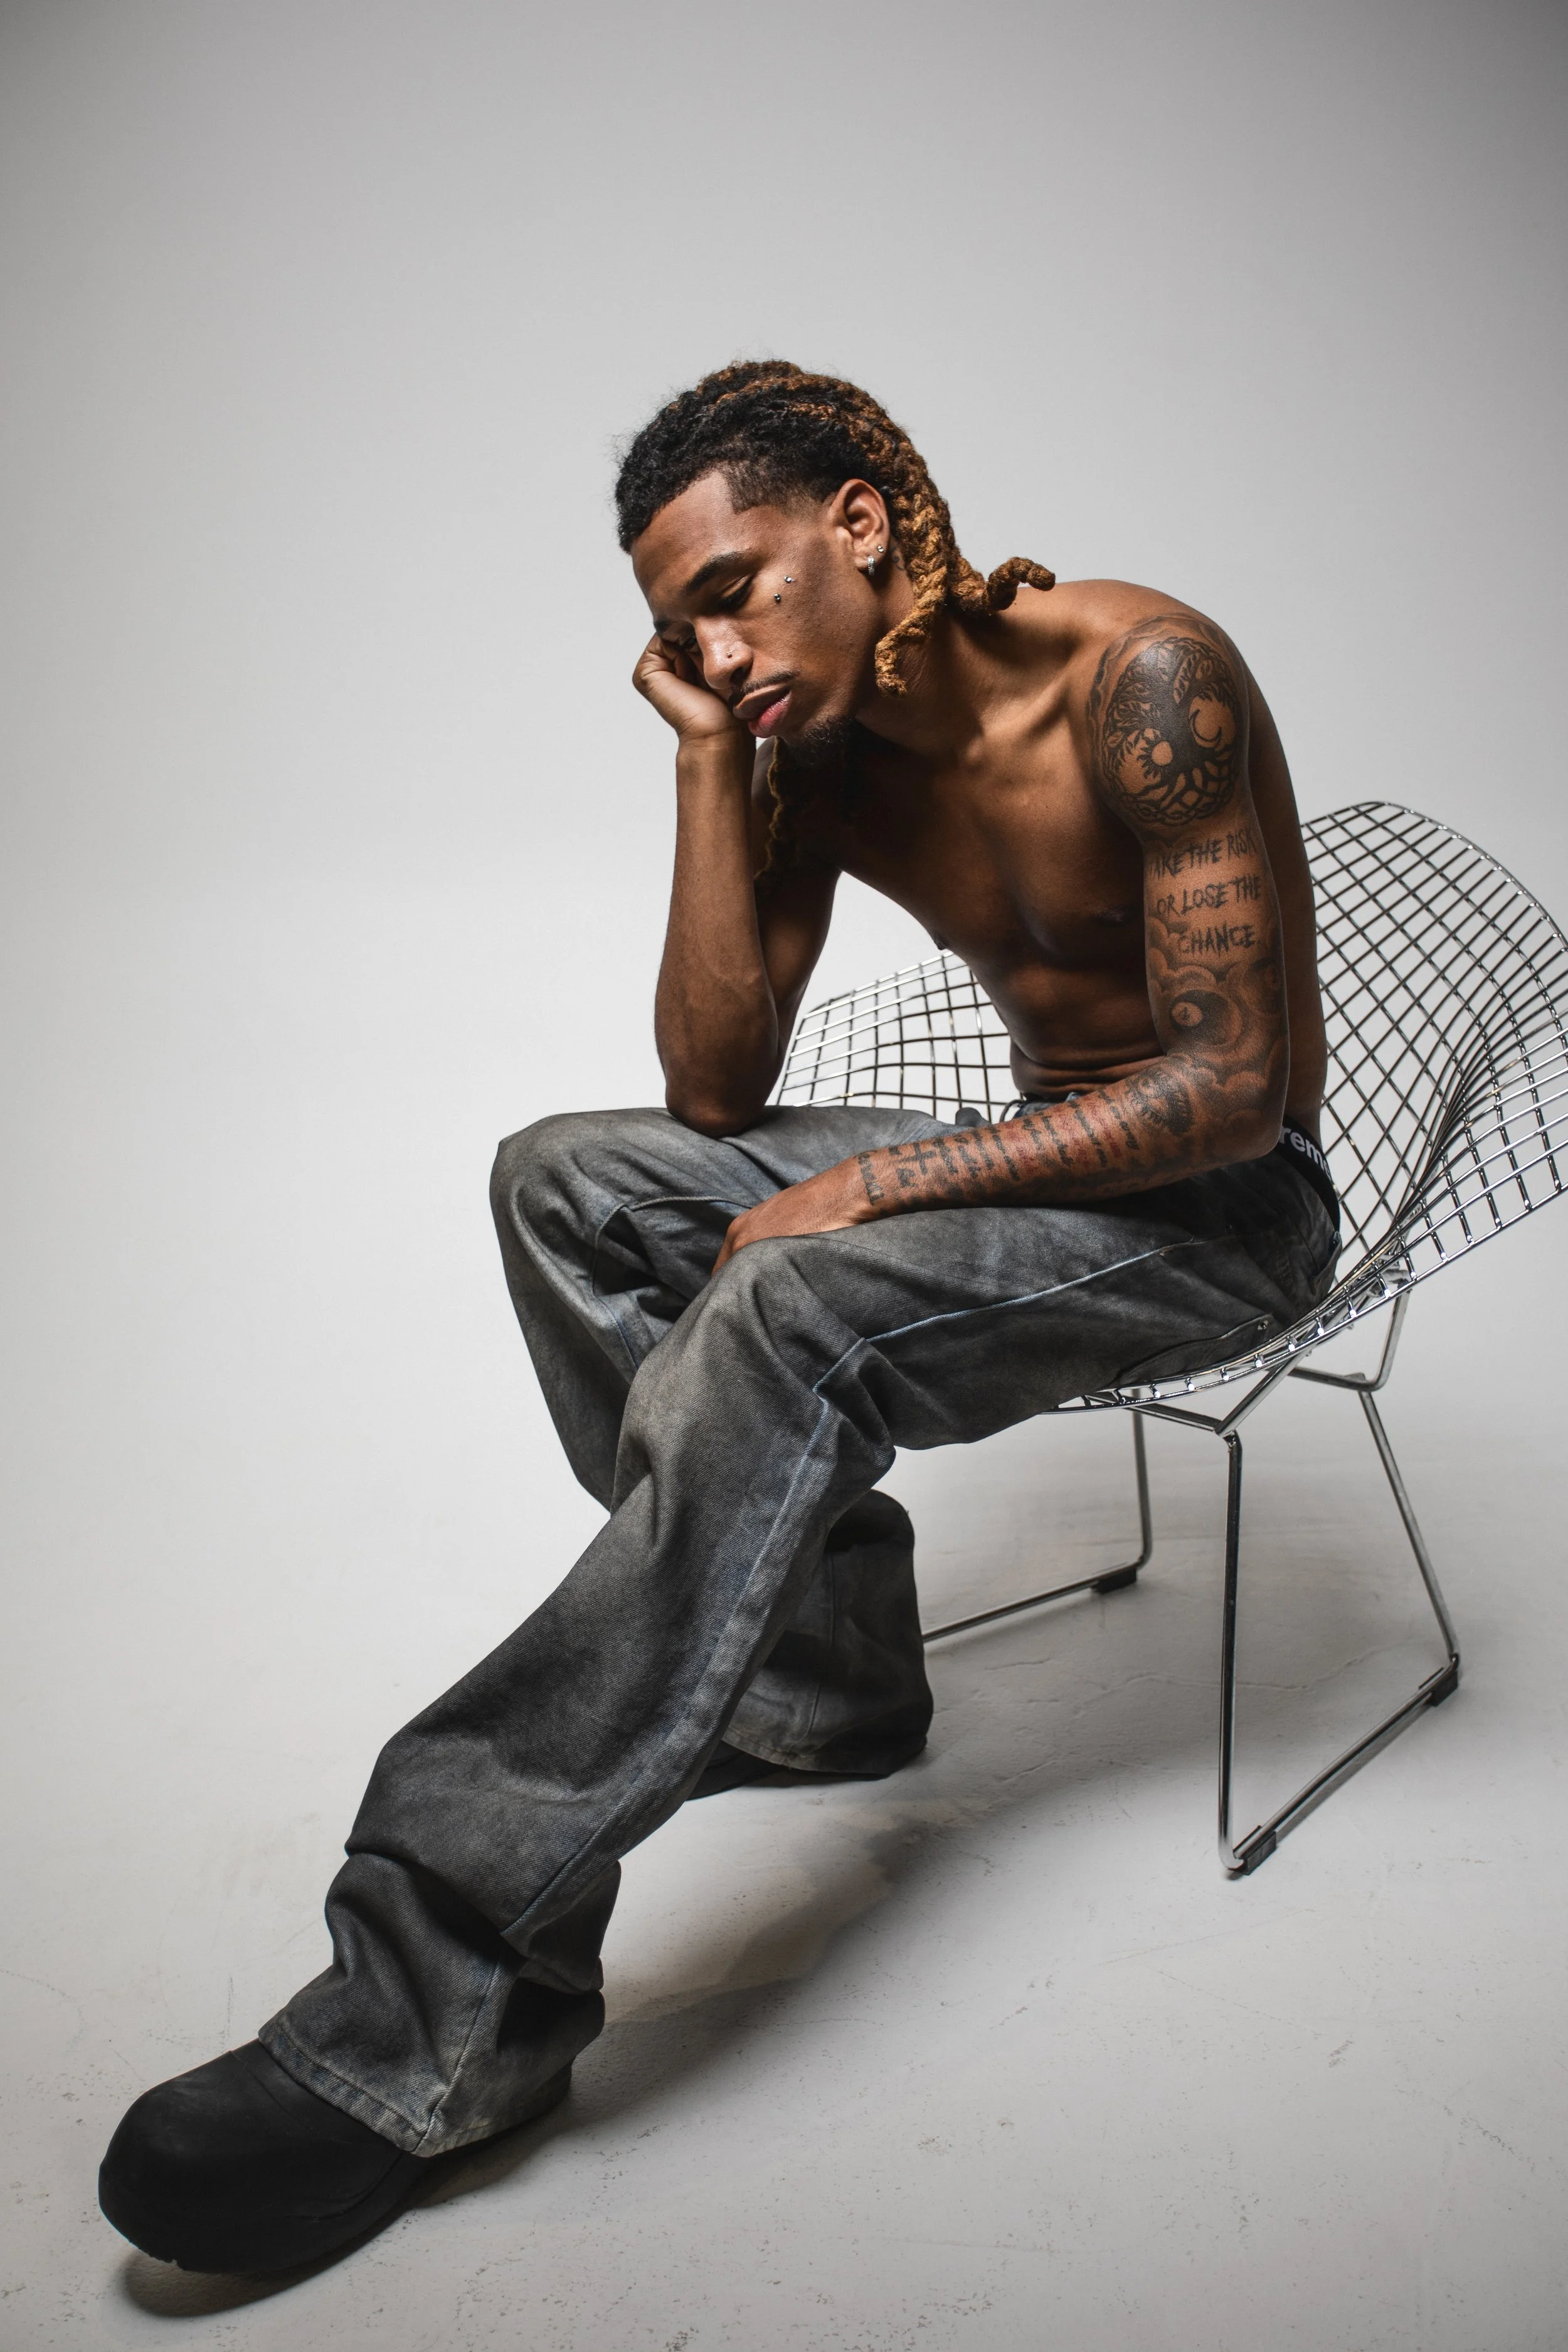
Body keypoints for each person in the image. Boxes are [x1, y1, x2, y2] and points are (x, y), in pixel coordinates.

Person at [98, 361, 1340, 2274]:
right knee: (564, 1177)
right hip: (1041, 1159)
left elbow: (1235, 1086)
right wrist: (709, 757)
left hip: (1217, 1213)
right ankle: (825, 1681)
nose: (713, 641)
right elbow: (705, 1086)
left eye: (735, 585)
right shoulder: (818, 742)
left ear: (863, 518)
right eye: (674, 623)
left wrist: (880, 1185)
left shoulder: (1143, 677)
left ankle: (435, 2010)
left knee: (789, 1297)